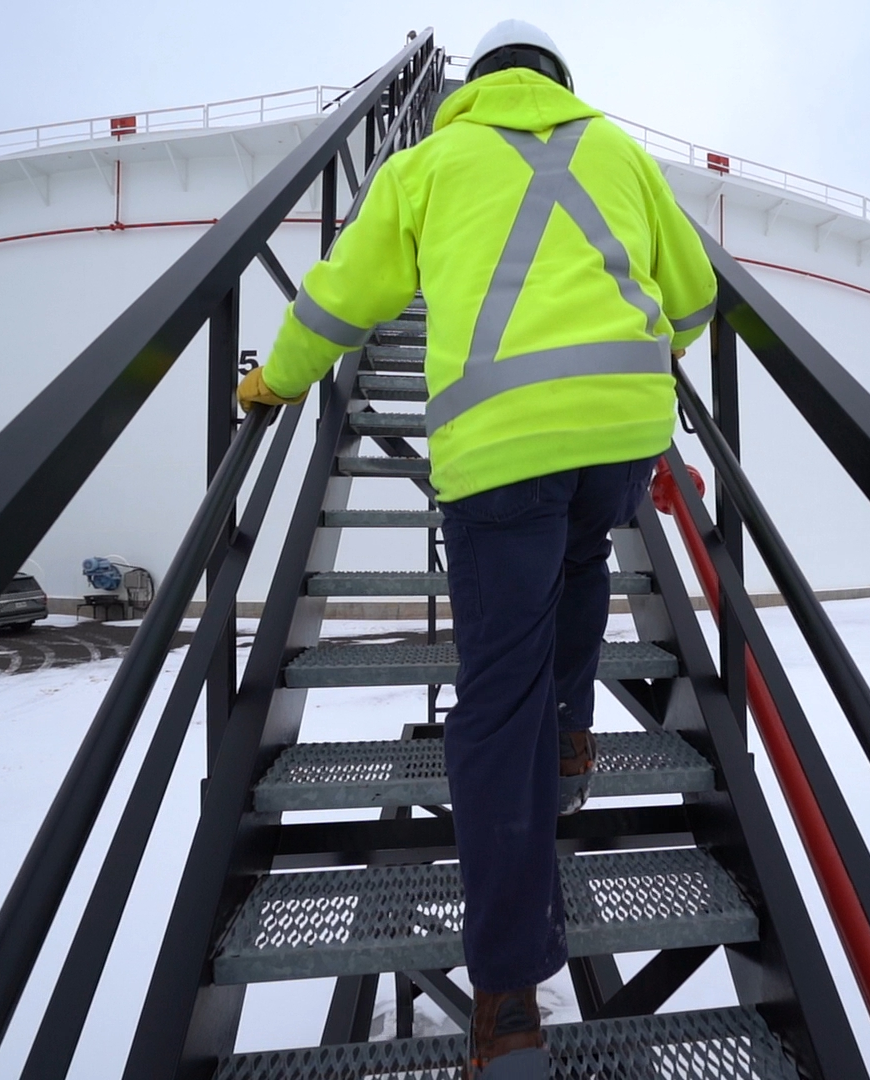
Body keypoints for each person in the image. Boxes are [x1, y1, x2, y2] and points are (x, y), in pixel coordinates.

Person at [238, 19, 716, 1078]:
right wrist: (633, 362)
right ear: (557, 82)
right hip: (620, 433)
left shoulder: (425, 162)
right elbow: (691, 299)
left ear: (477, 86)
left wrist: (273, 379)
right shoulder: (621, 151)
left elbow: (341, 299)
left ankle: (505, 999)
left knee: (495, 698)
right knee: (587, 560)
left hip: (499, 449)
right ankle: (577, 732)